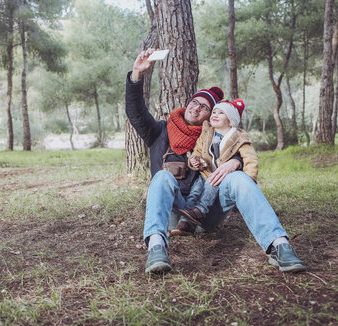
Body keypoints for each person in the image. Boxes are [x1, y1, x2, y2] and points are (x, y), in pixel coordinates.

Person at [125, 48, 306, 274]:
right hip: (175, 213)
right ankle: (156, 248)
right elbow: (136, 113)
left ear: (211, 116)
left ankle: (279, 245)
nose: (196, 108)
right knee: (162, 176)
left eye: (205, 107)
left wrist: (236, 161)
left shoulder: (216, 137)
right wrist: (136, 74)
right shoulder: (160, 131)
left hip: (208, 212)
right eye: (194, 102)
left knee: (238, 177)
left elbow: (236, 146)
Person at [179, 99, 258, 227]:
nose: (215, 115)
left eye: (221, 113)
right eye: (214, 112)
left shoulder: (239, 138)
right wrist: (195, 160)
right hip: (205, 172)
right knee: (195, 191)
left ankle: (200, 211)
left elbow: (251, 159)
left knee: (211, 184)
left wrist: (249, 181)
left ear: (230, 121)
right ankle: (184, 222)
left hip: (222, 176)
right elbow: (198, 151)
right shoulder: (207, 134)